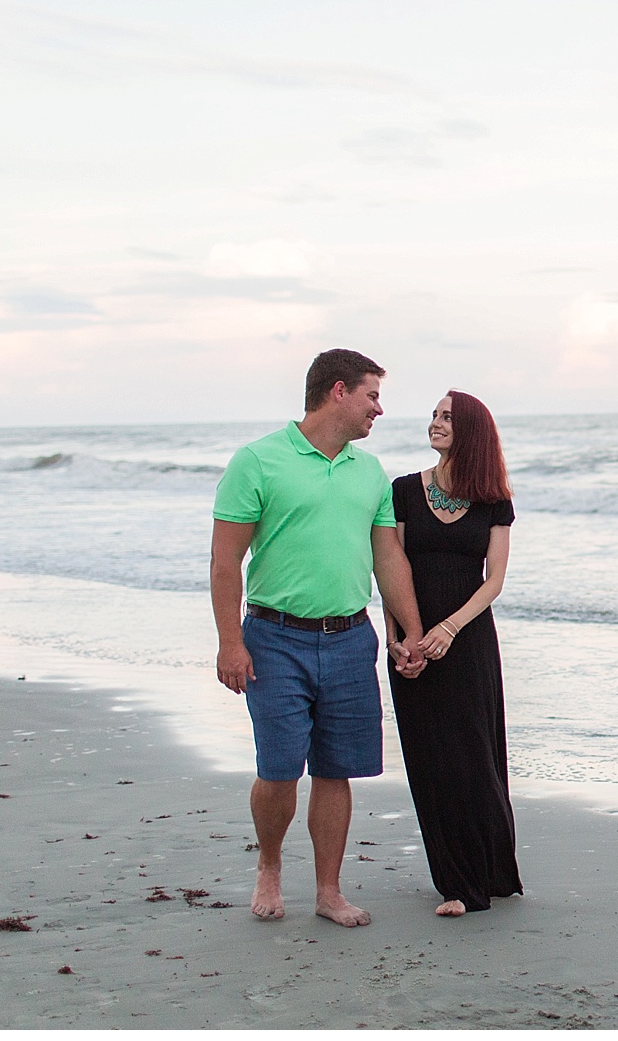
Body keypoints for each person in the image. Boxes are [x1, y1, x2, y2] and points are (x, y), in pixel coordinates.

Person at [210, 348, 427, 927]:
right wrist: (230, 642)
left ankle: (328, 892)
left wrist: (411, 630)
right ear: (338, 391)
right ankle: (271, 865)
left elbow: (387, 556)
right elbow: (226, 558)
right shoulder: (257, 461)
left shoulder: (369, 472)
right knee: (279, 769)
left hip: (352, 638)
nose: (379, 409)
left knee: (338, 768)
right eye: (372, 395)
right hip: (274, 638)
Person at [386, 389, 523, 917]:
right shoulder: (402, 490)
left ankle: (489, 875)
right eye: (435, 415)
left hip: (468, 642)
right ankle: (456, 882)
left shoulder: (493, 499)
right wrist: (400, 639)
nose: (436, 423)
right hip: (412, 644)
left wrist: (449, 628)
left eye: (447, 417)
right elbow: (390, 568)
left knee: (475, 759)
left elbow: (495, 582)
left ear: (471, 431)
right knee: (430, 762)